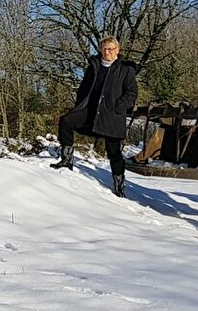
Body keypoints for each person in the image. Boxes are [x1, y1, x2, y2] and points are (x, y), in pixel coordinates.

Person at [51, 36, 139, 197]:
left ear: (117, 50)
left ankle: (119, 184)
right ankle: (66, 160)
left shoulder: (126, 69)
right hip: (91, 111)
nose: (107, 52)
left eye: (111, 49)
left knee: (114, 151)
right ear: (100, 50)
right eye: (104, 49)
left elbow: (132, 93)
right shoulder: (94, 65)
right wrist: (79, 105)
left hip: (112, 115)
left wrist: (117, 107)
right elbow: (84, 88)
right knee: (66, 121)